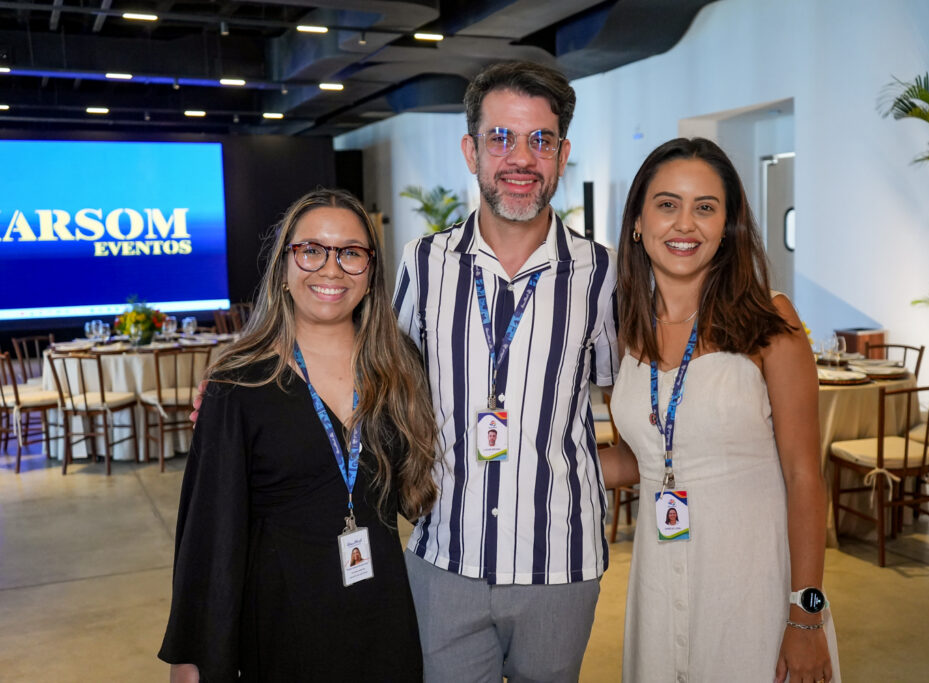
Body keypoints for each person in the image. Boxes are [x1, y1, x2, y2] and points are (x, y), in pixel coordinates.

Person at [393, 61, 618, 682]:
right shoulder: (424, 263)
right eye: (501, 138)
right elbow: (385, 386)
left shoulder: (602, 275)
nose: (521, 158)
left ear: (562, 153)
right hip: (444, 560)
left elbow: (627, 402)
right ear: (471, 150)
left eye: (540, 140)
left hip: (561, 564)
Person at [159, 189, 438, 682]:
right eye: (312, 250)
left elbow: (419, 488)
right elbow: (208, 538)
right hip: (284, 627)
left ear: (371, 272)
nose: (331, 270)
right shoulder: (238, 383)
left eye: (351, 253)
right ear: (284, 268)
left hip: (385, 620)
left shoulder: (400, 368)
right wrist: (194, 660)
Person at [605, 138, 840, 682]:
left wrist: (806, 616)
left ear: (727, 226)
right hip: (660, 580)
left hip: (751, 583)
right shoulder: (628, 331)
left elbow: (806, 475)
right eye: (667, 204)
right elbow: (639, 460)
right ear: (638, 221)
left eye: (705, 207)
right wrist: (547, 456)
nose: (685, 224)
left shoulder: (769, 320)